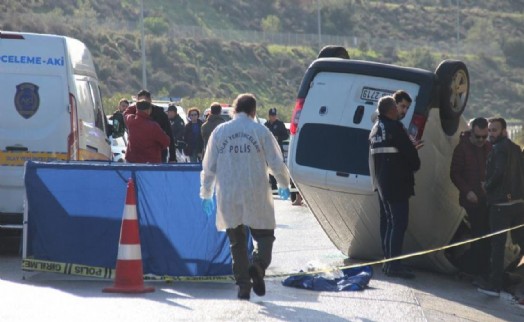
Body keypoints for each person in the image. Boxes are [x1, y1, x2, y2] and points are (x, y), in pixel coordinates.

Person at [200, 93, 290, 300]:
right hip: (255, 191)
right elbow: (276, 162)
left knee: (237, 242)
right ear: (253, 111)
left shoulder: (220, 132)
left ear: (234, 109)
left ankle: (243, 286)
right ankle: (258, 265)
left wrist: (206, 193)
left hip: (229, 193)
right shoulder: (260, 131)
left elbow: (209, 166)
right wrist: (284, 184)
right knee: (265, 235)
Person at [369, 96, 420, 279]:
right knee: (399, 223)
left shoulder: (375, 129)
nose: (400, 112)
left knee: (390, 222)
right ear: (391, 110)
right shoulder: (394, 127)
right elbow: (411, 155)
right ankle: (394, 265)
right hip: (397, 182)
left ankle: (389, 261)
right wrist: (414, 157)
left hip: (382, 182)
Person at [477, 117, 524, 297]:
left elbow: (498, 173)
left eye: (494, 130)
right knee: (521, 241)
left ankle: (494, 284)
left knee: (497, 245)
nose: (490, 134)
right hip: (518, 204)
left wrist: (486, 186)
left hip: (501, 204)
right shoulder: (516, 149)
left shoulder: (498, 149)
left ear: (504, 131)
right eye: (489, 130)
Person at [450, 117, 492, 276]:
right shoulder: (462, 148)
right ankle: (477, 270)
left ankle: (481, 269)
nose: (481, 140)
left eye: (484, 136)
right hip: (471, 199)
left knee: (486, 235)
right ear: (471, 133)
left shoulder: (489, 147)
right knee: (479, 234)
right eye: (478, 137)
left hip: (488, 198)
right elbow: (455, 174)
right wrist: (467, 191)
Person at [133, 90, 176, 163]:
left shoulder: (160, 114)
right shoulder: (134, 115)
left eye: (144, 101)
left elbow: (169, 136)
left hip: (158, 155)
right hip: (139, 155)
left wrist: (172, 157)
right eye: (139, 102)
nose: (142, 104)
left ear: (150, 100)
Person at [264, 108, 289, 191]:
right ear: (269, 116)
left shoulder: (280, 124)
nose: (273, 117)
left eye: (274, 115)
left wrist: (278, 138)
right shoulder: (265, 125)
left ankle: (281, 183)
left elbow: (286, 135)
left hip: (277, 149)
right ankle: (273, 185)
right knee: (269, 166)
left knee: (278, 166)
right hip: (268, 149)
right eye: (272, 115)